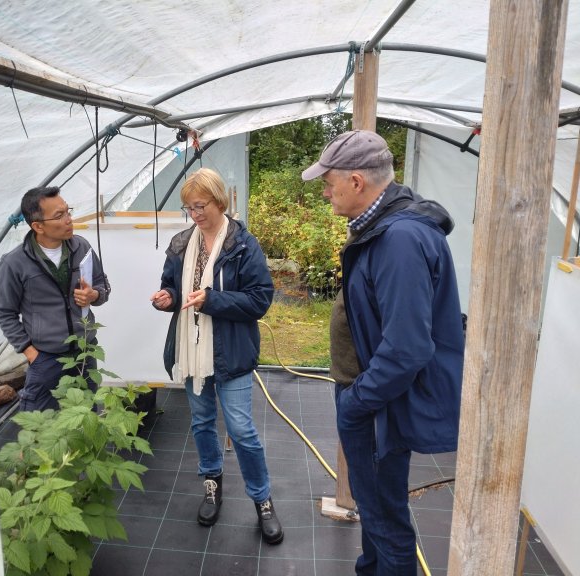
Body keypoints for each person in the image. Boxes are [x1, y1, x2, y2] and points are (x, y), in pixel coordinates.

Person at [302, 130, 464, 575]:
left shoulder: (399, 241)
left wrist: (356, 403)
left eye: (328, 181)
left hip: (375, 402)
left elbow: (408, 347)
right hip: (373, 398)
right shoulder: (386, 227)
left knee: (385, 517)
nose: (324, 190)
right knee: (375, 508)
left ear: (356, 182)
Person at [150, 168, 283, 545]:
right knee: (202, 422)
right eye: (189, 208)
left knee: (242, 430)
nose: (195, 214)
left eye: (201, 205)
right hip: (192, 353)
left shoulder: (242, 245)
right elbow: (172, 287)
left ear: (220, 202)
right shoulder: (180, 244)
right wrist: (168, 299)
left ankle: (262, 500)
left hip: (232, 353)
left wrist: (213, 300)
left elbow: (260, 299)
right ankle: (212, 484)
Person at [0, 186, 110, 411]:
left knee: (86, 418)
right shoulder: (15, 263)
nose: (69, 219)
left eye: (68, 211)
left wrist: (93, 295)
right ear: (37, 226)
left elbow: (102, 284)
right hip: (45, 357)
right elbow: (5, 313)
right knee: (39, 424)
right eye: (59, 215)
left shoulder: (81, 247)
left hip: (85, 350)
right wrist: (30, 353)